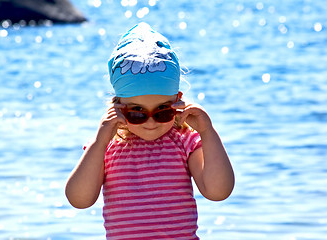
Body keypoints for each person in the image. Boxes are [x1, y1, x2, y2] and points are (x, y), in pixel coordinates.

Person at [65, 22, 234, 240]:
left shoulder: (184, 141)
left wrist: (208, 132)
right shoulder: (106, 147)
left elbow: (218, 191)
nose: (151, 122)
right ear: (117, 107)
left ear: (178, 101)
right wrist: (99, 142)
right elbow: (79, 199)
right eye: (137, 112)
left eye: (163, 111)